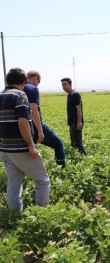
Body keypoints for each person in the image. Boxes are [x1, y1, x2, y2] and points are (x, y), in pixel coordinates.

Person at [0, 68, 50, 211]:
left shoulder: (1, 95)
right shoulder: (20, 95)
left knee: (13, 184)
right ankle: (42, 215)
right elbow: (23, 122)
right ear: (23, 82)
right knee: (42, 181)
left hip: (5, 149)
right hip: (20, 148)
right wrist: (31, 145)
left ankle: (15, 216)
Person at [24, 70, 66, 168]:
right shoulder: (32, 89)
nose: (38, 85)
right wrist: (40, 131)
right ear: (35, 78)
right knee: (58, 144)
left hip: (21, 126)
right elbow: (33, 111)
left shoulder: (18, 88)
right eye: (38, 82)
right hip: (33, 125)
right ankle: (62, 169)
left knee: (29, 150)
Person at [61, 77, 87, 155]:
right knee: (74, 143)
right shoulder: (70, 95)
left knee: (78, 144)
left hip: (76, 123)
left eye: (65, 84)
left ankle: (84, 157)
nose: (63, 86)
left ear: (70, 84)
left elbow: (79, 109)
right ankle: (77, 158)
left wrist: (79, 122)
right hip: (72, 123)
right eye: (62, 85)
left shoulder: (75, 94)